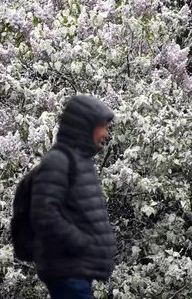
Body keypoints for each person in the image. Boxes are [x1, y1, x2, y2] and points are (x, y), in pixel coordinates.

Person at [30, 94, 117, 299]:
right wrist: (82, 242)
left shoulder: (79, 162)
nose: (105, 133)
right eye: (101, 126)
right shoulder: (60, 162)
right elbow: (44, 215)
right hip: (67, 270)